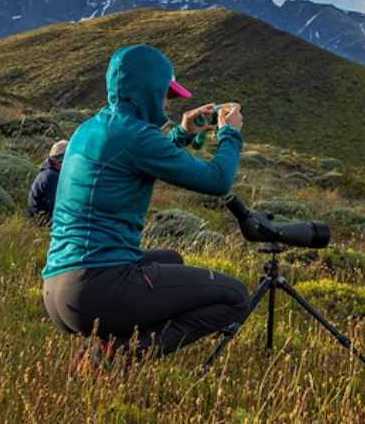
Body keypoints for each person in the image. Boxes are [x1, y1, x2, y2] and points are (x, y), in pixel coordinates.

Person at [42, 44, 248, 363]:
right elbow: (217, 180)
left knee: (171, 259)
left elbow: (135, 159)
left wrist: (181, 133)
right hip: (96, 289)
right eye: (166, 94)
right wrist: (230, 134)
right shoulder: (136, 136)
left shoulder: (93, 128)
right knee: (235, 297)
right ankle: (117, 355)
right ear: (148, 90)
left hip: (59, 288)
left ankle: (106, 344)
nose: (167, 102)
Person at [27, 139, 68, 223]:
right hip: (43, 222)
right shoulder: (51, 176)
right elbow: (55, 206)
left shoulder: (49, 173)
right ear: (59, 160)